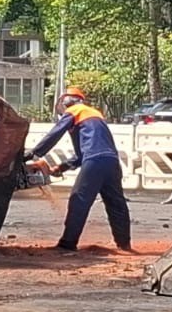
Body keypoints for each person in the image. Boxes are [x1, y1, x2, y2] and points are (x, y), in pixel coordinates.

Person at [25, 87, 132, 252]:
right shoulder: (94, 114)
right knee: (116, 203)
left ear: (68, 101)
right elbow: (81, 155)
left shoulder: (75, 111)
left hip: (95, 161)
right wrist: (61, 167)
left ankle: (67, 243)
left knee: (79, 199)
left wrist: (33, 153)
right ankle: (124, 244)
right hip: (111, 162)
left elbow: (55, 134)